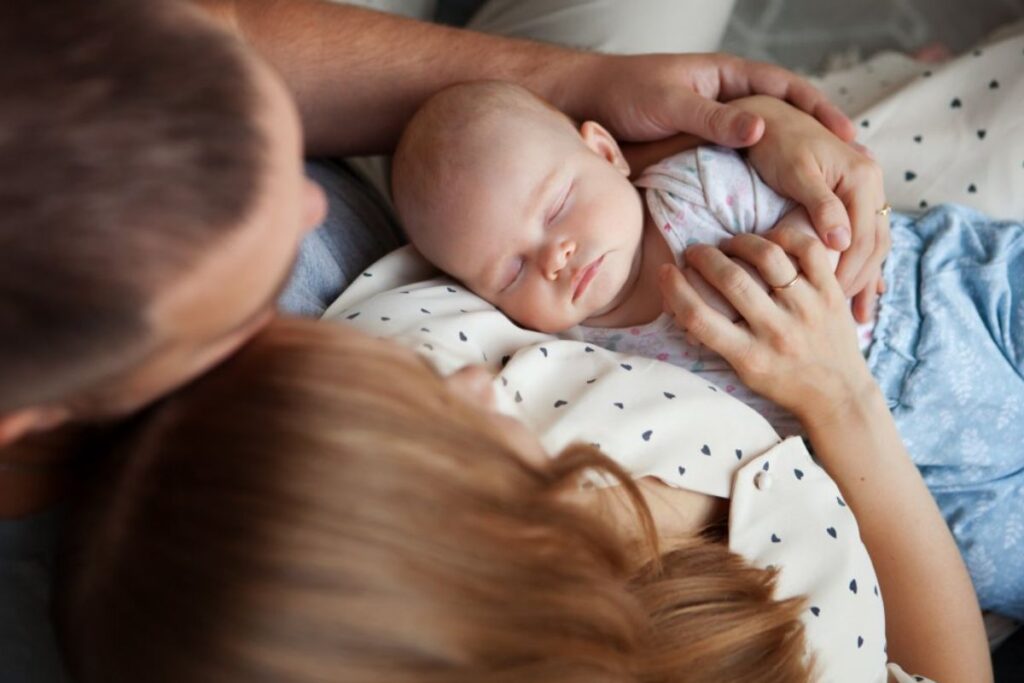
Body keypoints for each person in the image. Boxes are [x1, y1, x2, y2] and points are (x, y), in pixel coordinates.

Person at [53, 316, 992, 682]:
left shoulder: (404, 345)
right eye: (440, 412)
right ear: (471, 565)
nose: (468, 382)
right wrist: (844, 400)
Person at [391, 80, 1024, 617]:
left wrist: (806, 243)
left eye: (557, 207)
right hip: (919, 468)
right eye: (511, 272)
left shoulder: (691, 187)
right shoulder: (593, 360)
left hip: (940, 299)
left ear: (607, 152)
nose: (554, 256)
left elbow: (824, 211)